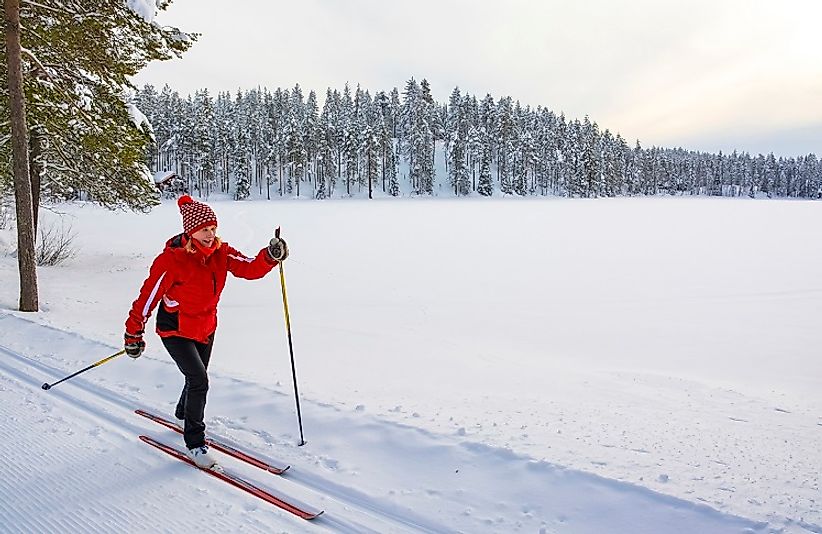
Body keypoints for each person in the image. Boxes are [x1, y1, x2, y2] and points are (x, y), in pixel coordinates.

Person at [124, 195, 288, 468]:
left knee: (196, 377)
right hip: (175, 328)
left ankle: (182, 413)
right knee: (199, 381)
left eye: (213, 229)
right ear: (191, 230)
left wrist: (269, 257)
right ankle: (195, 444)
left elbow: (249, 268)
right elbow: (147, 297)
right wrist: (133, 333)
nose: (210, 235)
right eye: (204, 230)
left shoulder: (221, 253)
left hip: (205, 327)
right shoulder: (172, 260)